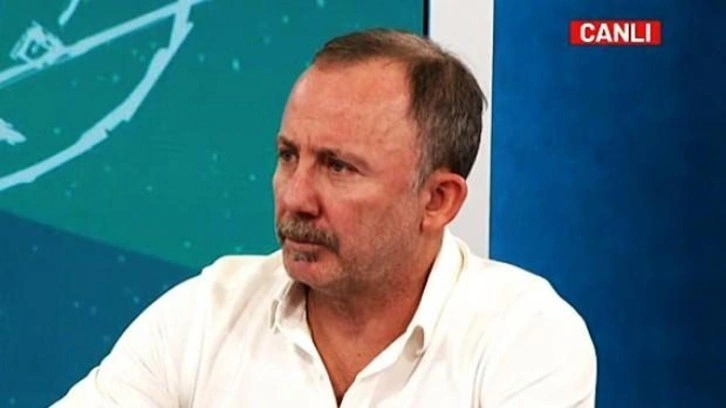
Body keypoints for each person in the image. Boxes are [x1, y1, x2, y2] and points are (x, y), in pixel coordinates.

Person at [53, 28, 596, 407]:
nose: (296, 197)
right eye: (289, 156)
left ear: (438, 200)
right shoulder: (203, 316)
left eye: (338, 167)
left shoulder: (525, 338)